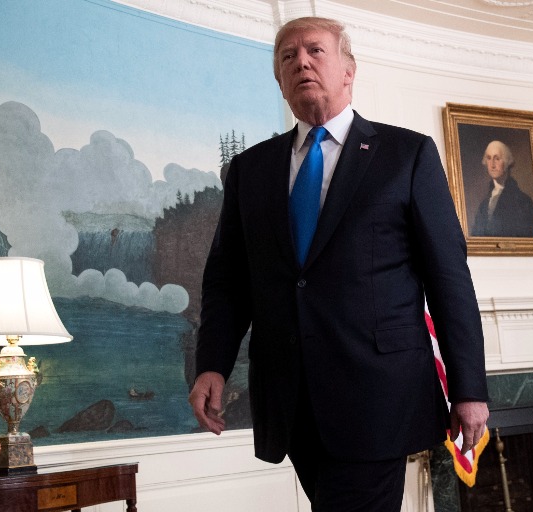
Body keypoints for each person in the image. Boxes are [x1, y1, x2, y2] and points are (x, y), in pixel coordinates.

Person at [188, 16, 489, 512]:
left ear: (349, 70)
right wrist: (213, 364)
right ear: (281, 82)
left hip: (377, 394)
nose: (301, 61)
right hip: (290, 398)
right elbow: (228, 280)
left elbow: (449, 278)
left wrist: (469, 389)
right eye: (288, 56)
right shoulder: (250, 170)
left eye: (315, 50)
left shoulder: (407, 154)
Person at [470, 140, 533, 238]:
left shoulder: (523, 202)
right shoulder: (483, 205)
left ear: (507, 162)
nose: (492, 164)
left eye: (497, 158)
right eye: (489, 158)